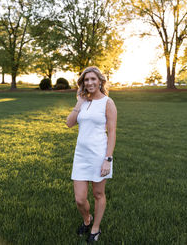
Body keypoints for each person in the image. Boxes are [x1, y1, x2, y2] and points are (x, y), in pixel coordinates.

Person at [66, 66, 117, 243]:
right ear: (83, 83)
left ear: (100, 81)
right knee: (80, 199)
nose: (90, 83)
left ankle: (95, 228)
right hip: (81, 155)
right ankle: (87, 220)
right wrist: (79, 104)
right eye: (86, 80)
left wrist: (107, 159)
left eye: (93, 79)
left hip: (99, 154)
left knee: (98, 194)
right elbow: (69, 124)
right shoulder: (83, 102)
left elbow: (112, 132)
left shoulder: (107, 102)